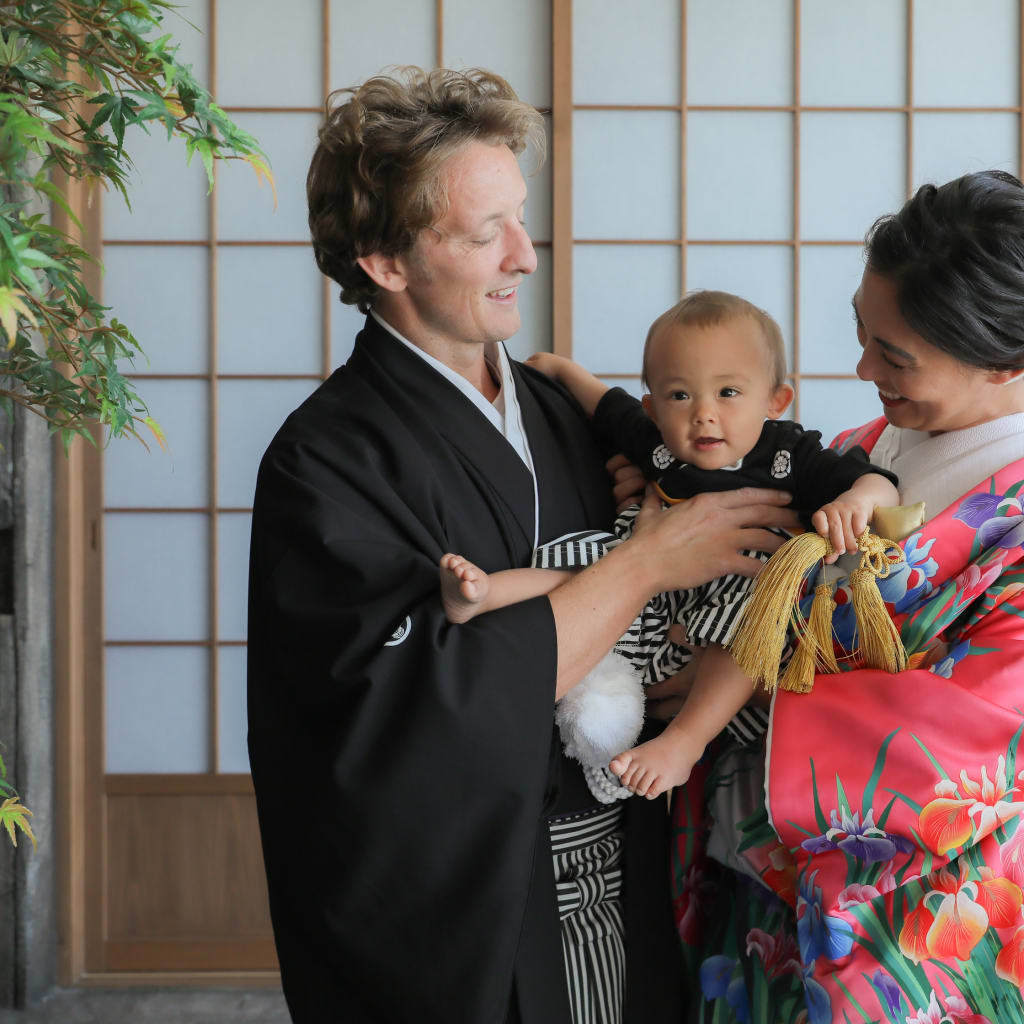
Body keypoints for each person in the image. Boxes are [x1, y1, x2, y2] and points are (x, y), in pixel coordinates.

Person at [246, 67, 797, 1024]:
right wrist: (641, 569)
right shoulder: (325, 461)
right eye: (481, 233)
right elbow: (400, 709)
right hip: (469, 901)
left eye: (521, 217)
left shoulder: (559, 412)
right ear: (384, 260)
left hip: (620, 863)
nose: (526, 256)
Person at [672, 169, 1024, 1023]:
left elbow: (989, 737)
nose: (863, 367)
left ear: (1005, 356)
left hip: (913, 909)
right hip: (758, 879)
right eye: (864, 335)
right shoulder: (866, 446)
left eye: (895, 356)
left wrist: (741, 686)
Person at [440, 290, 899, 800]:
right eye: (680, 396)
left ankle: (685, 741)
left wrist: (857, 501)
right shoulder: (655, 443)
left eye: (728, 393)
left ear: (775, 401)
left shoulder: (788, 451)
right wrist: (560, 371)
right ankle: (484, 594)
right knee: (589, 559)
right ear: (653, 407)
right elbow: (604, 405)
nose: (703, 414)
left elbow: (876, 480)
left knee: (753, 621)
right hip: (651, 585)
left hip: (735, 594)